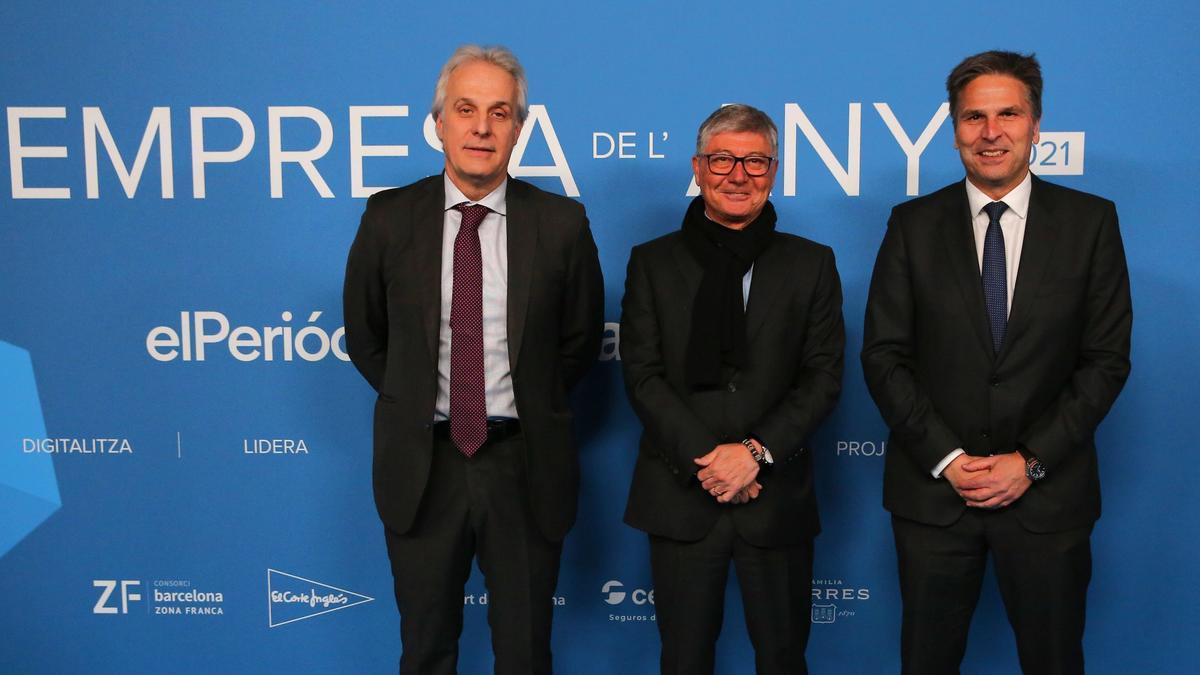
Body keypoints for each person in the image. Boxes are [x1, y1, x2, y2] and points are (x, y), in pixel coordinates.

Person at [861, 50, 1132, 674]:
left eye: (1008, 113)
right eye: (973, 117)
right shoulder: (911, 225)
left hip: (1048, 499)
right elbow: (884, 355)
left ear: (1037, 124)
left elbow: (1105, 361)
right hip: (935, 498)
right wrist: (951, 461)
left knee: (1054, 661)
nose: (991, 132)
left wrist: (1029, 462)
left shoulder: (1091, 222)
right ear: (954, 128)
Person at [343, 44, 604, 675]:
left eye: (500, 112)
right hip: (422, 464)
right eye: (466, 109)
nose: (482, 127)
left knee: (523, 651)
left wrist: (521, 404)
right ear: (439, 123)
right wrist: (414, 401)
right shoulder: (387, 217)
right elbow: (367, 336)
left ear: (518, 127)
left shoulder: (562, 223)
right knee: (426, 648)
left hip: (524, 464)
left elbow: (579, 342)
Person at [620, 103, 844, 674]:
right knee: (684, 659)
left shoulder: (811, 264)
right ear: (698, 167)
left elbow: (823, 378)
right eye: (723, 159)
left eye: (755, 161)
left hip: (775, 498)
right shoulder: (651, 263)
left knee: (784, 659)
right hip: (681, 497)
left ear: (773, 172)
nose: (738, 175)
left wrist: (753, 456)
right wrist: (713, 464)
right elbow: (643, 377)